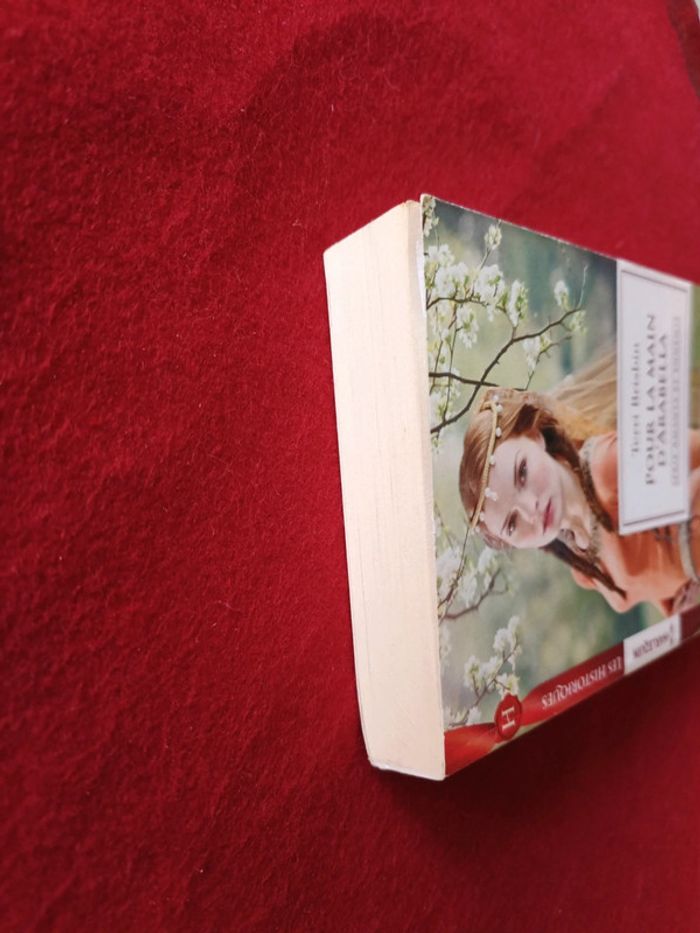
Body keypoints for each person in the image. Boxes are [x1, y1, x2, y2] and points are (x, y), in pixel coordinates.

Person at [458, 359, 700, 616]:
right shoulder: (582, 567)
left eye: (522, 473)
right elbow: (667, 586)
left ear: (533, 436)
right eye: (512, 523)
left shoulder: (608, 466)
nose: (531, 509)